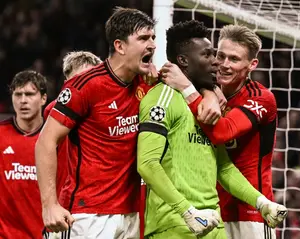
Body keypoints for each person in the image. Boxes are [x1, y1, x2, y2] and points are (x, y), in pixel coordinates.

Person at [137, 20, 287, 239]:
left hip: (249, 214)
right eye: (218, 55)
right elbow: (147, 163)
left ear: (252, 64)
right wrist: (207, 90)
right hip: (203, 216)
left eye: (234, 59)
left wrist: (193, 90)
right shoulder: (190, 95)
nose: (221, 64)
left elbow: (221, 136)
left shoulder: (259, 98)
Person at [35, 7, 156, 238]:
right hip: (88, 214)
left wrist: (210, 92)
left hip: (130, 213)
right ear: (119, 46)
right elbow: (45, 142)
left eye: (153, 38)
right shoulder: (86, 86)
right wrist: (49, 205)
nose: (152, 45)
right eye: (143, 38)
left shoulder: (147, 82)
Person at [42, 51, 102, 238]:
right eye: (78, 82)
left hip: (99, 204)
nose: (84, 89)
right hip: (69, 207)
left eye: (89, 80)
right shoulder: (54, 110)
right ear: (67, 84)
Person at [0, 70, 47, 238]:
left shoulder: (56, 138)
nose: (23, 101)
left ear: (43, 98)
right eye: (17, 94)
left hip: (45, 233)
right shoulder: (1, 135)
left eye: (29, 94)